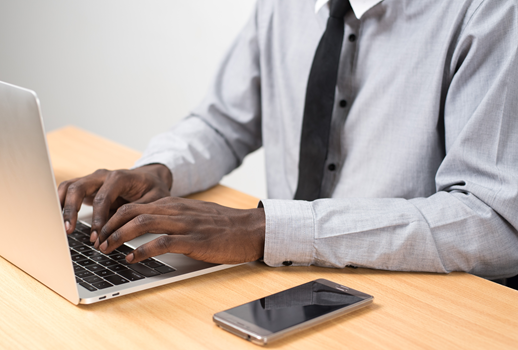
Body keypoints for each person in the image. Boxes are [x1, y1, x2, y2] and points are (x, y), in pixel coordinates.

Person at [59, 0, 518, 280]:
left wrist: (261, 229)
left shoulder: (488, 9)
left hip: (411, 292)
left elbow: (493, 220)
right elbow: (224, 121)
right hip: (282, 277)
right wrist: (161, 170)